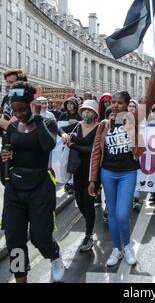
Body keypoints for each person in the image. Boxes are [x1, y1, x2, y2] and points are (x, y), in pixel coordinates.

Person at [88, 61, 155, 266]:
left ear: (127, 105)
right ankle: (117, 249)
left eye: (120, 103)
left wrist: (153, 74)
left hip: (128, 172)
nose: (115, 106)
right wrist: (93, 179)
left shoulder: (132, 119)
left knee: (122, 213)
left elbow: (148, 99)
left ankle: (127, 246)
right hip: (107, 174)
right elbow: (96, 154)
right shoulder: (103, 125)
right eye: (113, 103)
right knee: (111, 213)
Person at [1, 82, 64, 283]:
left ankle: (54, 254)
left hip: (40, 187)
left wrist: (36, 118)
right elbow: (7, 152)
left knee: (39, 237)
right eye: (15, 109)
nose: (18, 114)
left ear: (32, 104)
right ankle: (21, 279)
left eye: (22, 109)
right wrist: (5, 155)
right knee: (14, 240)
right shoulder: (11, 127)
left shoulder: (47, 124)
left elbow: (48, 145)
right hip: (15, 188)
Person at [59, 100, 99, 252]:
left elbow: (93, 150)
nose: (86, 113)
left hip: (92, 171)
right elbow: (61, 129)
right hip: (77, 169)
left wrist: (73, 145)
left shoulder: (99, 128)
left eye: (89, 111)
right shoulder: (77, 125)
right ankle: (90, 222)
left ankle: (88, 235)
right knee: (79, 202)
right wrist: (64, 135)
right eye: (84, 111)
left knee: (88, 203)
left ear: (95, 113)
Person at [0, 69, 28, 135]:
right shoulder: (7, 97)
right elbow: (3, 113)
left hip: (21, 142)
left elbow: (9, 126)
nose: (7, 84)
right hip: (6, 141)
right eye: (7, 81)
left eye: (11, 82)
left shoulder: (25, 99)